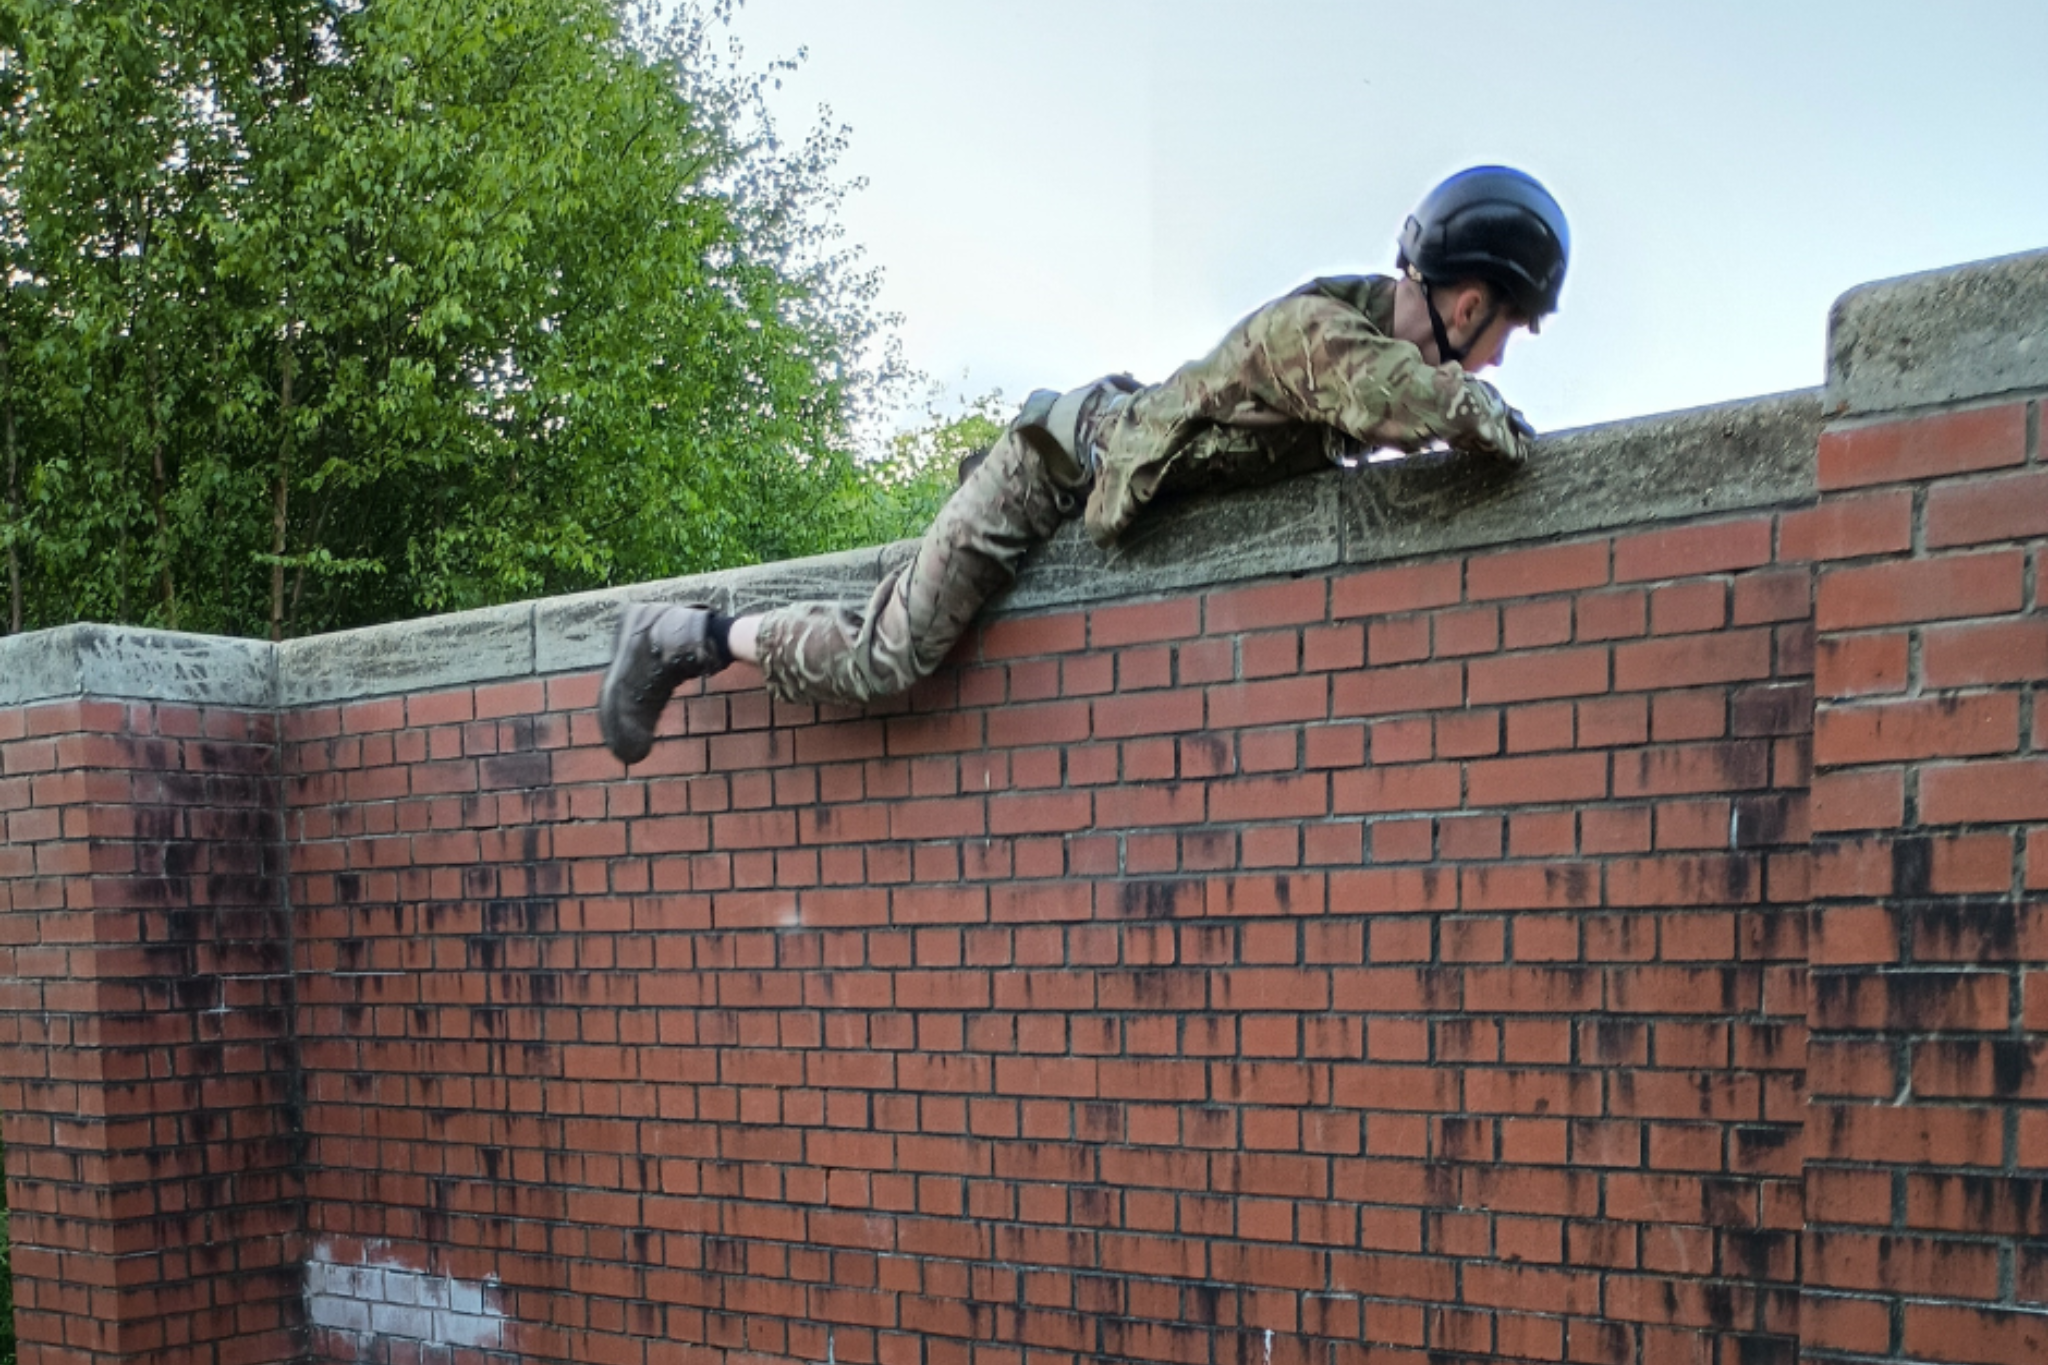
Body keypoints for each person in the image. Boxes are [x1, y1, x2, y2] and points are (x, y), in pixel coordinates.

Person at [598, 165, 1569, 765]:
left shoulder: (1354, 344)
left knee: (887, 620)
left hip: (1094, 482)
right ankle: (684, 636)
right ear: (1469, 297)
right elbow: (1419, 402)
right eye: (1503, 329)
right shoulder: (1317, 333)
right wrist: (1512, 434)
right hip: (1039, 473)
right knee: (883, 656)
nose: (1492, 359)